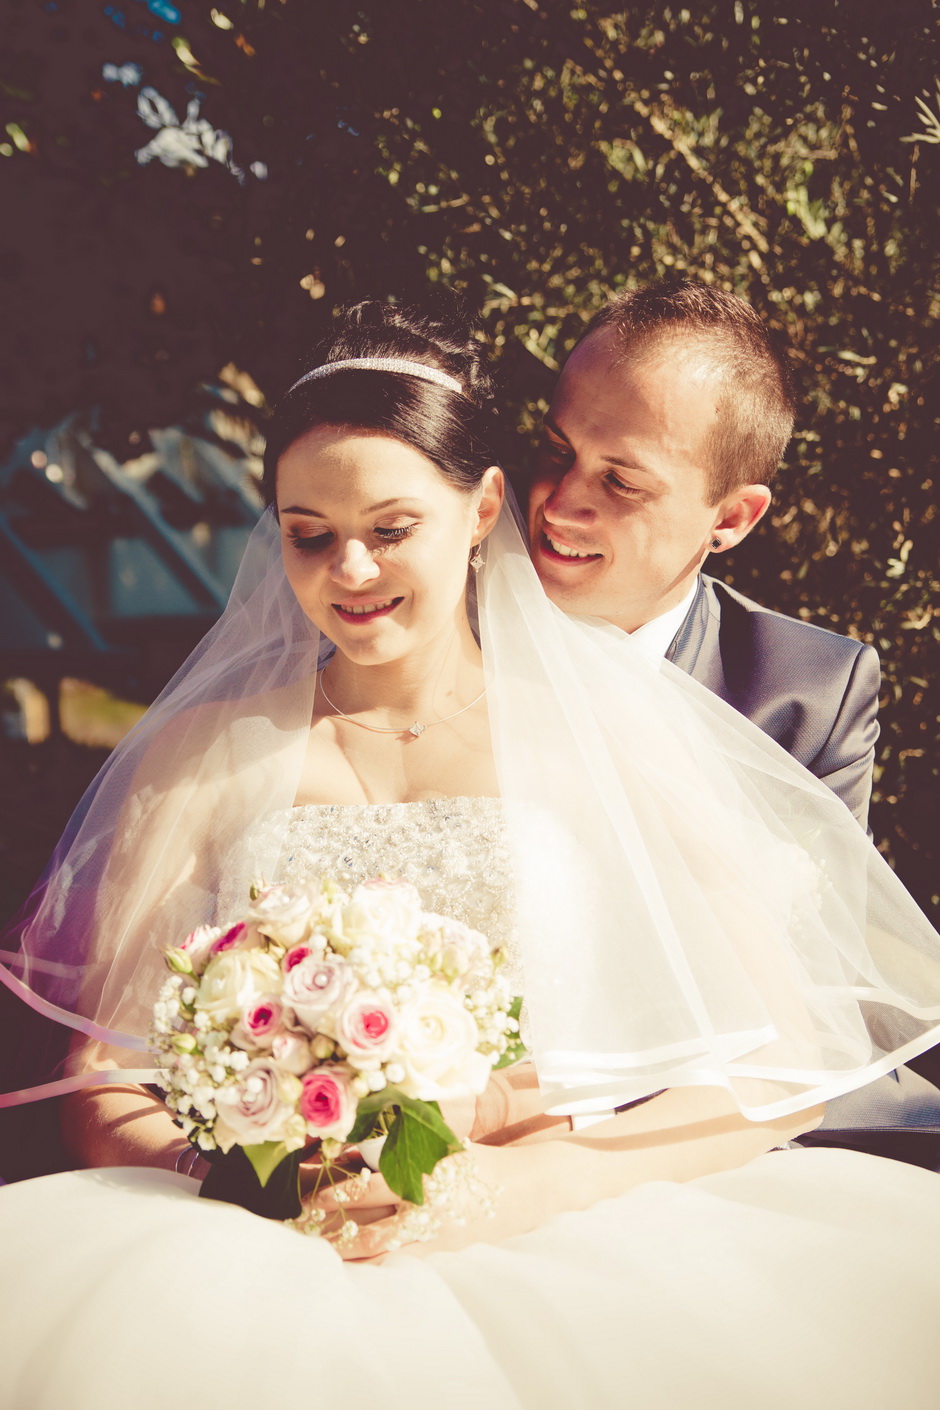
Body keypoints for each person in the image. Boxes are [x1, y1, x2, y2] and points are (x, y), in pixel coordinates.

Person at [2, 300, 940, 1409]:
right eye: (308, 534)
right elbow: (102, 1078)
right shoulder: (202, 756)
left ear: (479, 507)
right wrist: (243, 1174)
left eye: (392, 528)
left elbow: (783, 1069)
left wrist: (527, 1180)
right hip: (243, 1238)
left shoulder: (610, 735)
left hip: (562, 1227)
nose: (349, 570)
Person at [529, 278, 940, 1157]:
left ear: (732, 517)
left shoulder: (809, 690)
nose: (561, 501)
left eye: (621, 481)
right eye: (555, 448)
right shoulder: (424, 629)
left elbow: (807, 993)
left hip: (742, 1115)